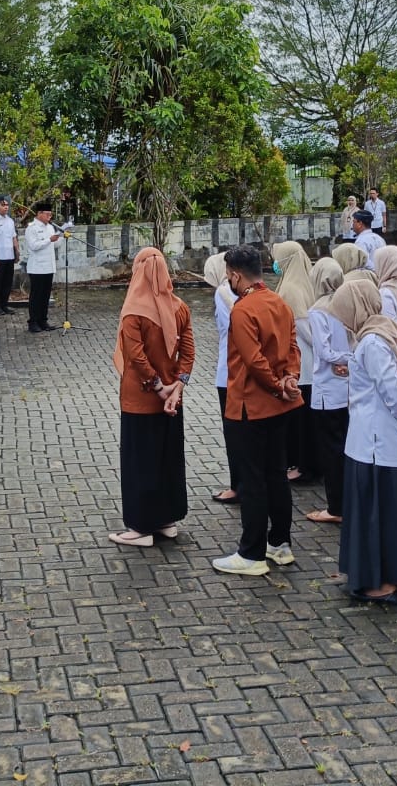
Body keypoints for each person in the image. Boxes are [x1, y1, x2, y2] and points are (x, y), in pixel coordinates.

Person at [212, 245, 302, 577]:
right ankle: (279, 543)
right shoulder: (279, 302)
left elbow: (253, 361)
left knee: (252, 479)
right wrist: (290, 378)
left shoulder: (243, 309)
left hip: (251, 404)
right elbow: (292, 348)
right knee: (275, 474)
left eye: (228, 275)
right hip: (279, 404)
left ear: (235, 274)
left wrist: (278, 383)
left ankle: (251, 552)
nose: (228, 281)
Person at [337, 279, 397, 601]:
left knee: (380, 512)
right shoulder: (392, 331)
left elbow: (394, 391)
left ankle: (383, 579)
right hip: (388, 439)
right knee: (394, 509)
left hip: (376, 441)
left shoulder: (372, 343)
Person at [110, 248, 195, 547]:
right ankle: (167, 520)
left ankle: (140, 528)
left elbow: (136, 357)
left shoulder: (134, 311)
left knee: (139, 462)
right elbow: (188, 351)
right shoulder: (179, 306)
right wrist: (177, 387)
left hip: (141, 400)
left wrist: (158, 388)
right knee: (167, 460)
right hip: (172, 401)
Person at [304, 260, 350, 524]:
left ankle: (336, 507)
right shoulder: (347, 304)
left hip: (328, 388)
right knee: (345, 445)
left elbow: (324, 352)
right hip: (347, 384)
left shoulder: (318, 310)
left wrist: (341, 360)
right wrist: (351, 361)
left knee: (332, 450)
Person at [273, 241, 319, 485]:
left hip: (302, 364)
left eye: (279, 258)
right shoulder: (302, 282)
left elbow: (303, 326)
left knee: (301, 422)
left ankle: (303, 466)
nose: (275, 263)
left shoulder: (290, 288)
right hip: (305, 362)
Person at [202, 254, 243, 504]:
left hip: (229, 372)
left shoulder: (223, 293)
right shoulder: (243, 293)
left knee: (234, 432)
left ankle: (238, 486)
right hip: (237, 370)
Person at [23, 202, 62, 333]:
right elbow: (34, 246)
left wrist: (61, 236)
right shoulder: (31, 228)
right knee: (36, 296)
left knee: (45, 295)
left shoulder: (50, 227)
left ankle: (43, 320)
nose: (49, 217)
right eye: (47, 214)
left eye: (51, 214)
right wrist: (49, 240)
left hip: (49, 267)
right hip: (37, 267)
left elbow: (55, 245)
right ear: (39, 214)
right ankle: (33, 322)